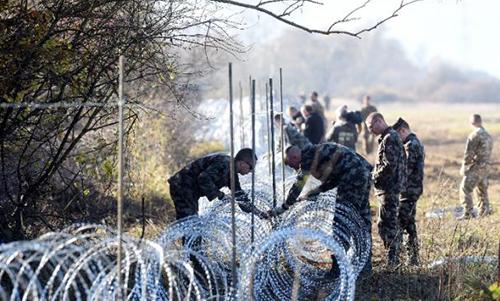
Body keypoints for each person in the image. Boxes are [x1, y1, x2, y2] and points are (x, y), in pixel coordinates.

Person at [267, 143, 373, 295]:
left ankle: (338, 266)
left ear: (295, 157)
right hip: (361, 174)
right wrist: (314, 192)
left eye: (293, 165)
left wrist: (283, 207)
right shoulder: (317, 150)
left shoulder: (308, 158)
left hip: (352, 178)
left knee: (341, 223)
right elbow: (333, 178)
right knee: (361, 220)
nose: (295, 169)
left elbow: (298, 185)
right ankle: (365, 265)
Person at [168, 148, 267, 220]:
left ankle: (191, 247)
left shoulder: (232, 173)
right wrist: (221, 195)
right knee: (191, 223)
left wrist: (259, 213)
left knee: (192, 224)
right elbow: (203, 178)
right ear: (242, 163)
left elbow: (240, 196)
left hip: (187, 189)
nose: (250, 172)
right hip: (182, 185)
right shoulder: (225, 163)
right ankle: (188, 247)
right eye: (251, 168)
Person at [366, 112, 407, 266]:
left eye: (371, 127)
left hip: (389, 188)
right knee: (389, 223)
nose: (370, 131)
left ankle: (393, 259)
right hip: (388, 187)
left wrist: (374, 176)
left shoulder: (390, 138)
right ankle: (395, 257)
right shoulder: (388, 137)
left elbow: (389, 165)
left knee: (387, 224)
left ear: (379, 121)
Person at [393, 118, 425, 265]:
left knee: (402, 221)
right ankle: (413, 257)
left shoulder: (410, 145)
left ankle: (403, 258)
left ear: (403, 131)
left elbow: (406, 169)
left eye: (397, 135)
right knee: (409, 222)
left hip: (409, 190)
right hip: (412, 189)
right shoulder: (414, 142)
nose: (397, 139)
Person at [458, 114, 493, 219]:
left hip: (477, 166)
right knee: (481, 189)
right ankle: (484, 212)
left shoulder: (474, 135)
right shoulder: (488, 135)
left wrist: (464, 167)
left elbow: (468, 154)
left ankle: (468, 213)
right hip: (486, 166)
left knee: (465, 188)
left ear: (472, 123)